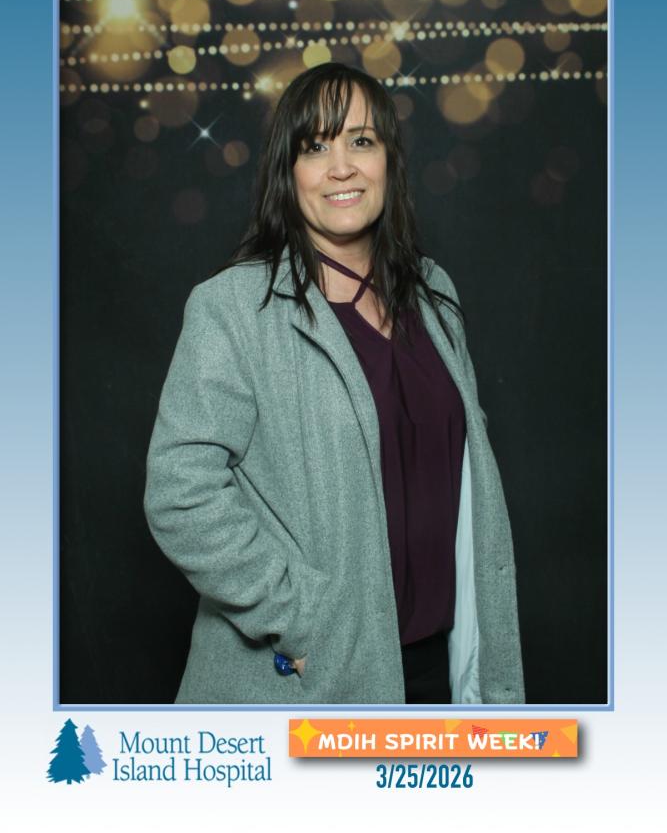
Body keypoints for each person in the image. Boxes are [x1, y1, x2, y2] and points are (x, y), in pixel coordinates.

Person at [144, 62, 524, 705]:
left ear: (388, 161)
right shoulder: (233, 308)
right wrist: (301, 618)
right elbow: (181, 491)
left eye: (361, 141)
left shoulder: (435, 294)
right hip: (309, 675)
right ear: (288, 172)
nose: (341, 167)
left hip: (438, 670)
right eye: (315, 147)